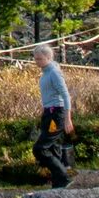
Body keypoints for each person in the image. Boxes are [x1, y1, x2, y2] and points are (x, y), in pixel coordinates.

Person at [32, 45, 74, 188]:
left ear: (48, 58)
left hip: (57, 113)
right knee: (53, 147)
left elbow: (65, 95)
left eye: (40, 59)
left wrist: (68, 118)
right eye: (36, 59)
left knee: (40, 148)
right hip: (48, 112)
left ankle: (64, 176)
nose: (37, 61)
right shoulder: (45, 73)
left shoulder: (54, 73)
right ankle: (58, 183)